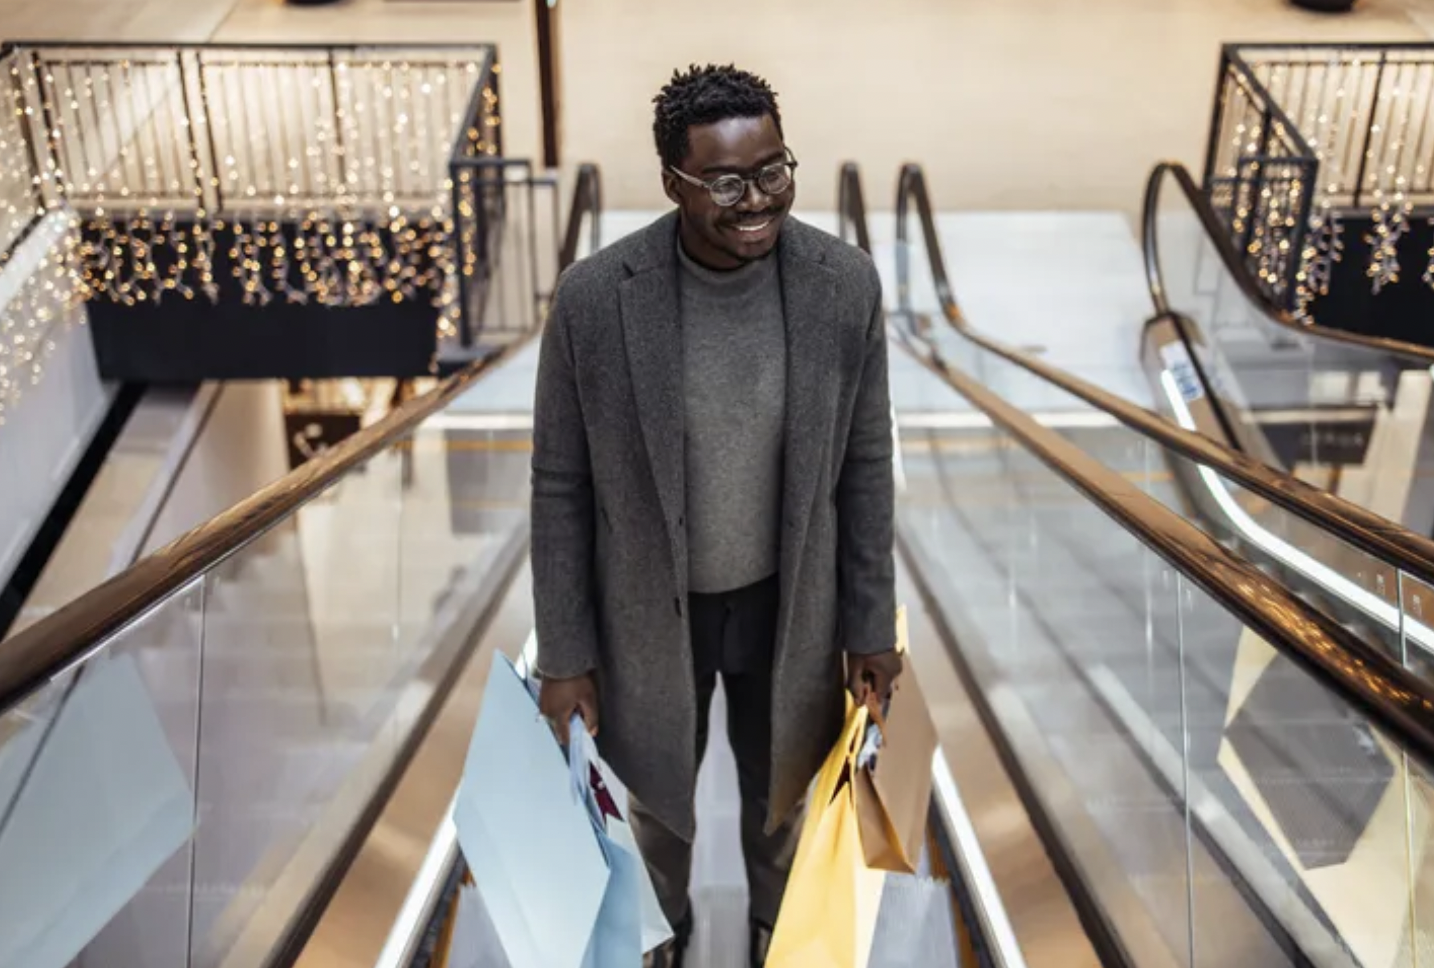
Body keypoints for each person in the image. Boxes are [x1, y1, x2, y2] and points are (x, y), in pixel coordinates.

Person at [531, 63, 899, 968]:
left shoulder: (841, 287)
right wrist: (565, 654)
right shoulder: (594, 301)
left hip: (790, 608)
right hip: (645, 619)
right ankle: (664, 945)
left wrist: (869, 625)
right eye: (728, 181)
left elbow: (865, 466)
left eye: (773, 170)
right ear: (673, 181)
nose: (757, 200)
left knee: (788, 802)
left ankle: (784, 942)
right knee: (652, 806)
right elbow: (559, 486)